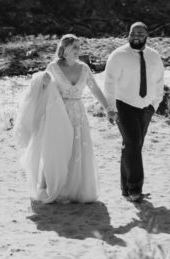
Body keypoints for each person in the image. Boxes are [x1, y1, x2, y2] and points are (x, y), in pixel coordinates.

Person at [13, 33, 115, 204]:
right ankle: (49, 187)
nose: (78, 50)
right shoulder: (53, 67)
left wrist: (108, 109)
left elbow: (95, 89)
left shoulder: (84, 68)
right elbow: (42, 88)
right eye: (74, 47)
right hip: (57, 114)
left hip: (78, 114)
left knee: (78, 149)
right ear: (64, 49)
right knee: (56, 150)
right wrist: (42, 82)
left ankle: (74, 190)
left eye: (79, 47)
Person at [104, 22, 164, 202]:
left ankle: (125, 188)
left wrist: (155, 105)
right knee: (133, 143)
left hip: (146, 107)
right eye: (133, 32)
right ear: (128, 35)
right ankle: (135, 189)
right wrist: (111, 108)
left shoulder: (154, 56)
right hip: (124, 105)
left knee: (133, 146)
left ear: (147, 35)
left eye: (140, 32)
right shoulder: (118, 55)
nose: (136, 35)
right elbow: (109, 82)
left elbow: (160, 80)